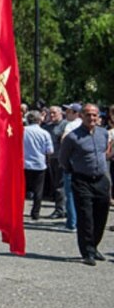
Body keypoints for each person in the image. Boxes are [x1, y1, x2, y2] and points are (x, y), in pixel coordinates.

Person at [59, 104, 110, 266]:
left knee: (101, 216)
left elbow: (105, 152)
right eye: (88, 115)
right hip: (82, 180)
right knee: (86, 217)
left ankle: (94, 246)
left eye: (94, 115)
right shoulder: (73, 137)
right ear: (81, 116)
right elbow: (63, 159)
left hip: (101, 180)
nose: (92, 118)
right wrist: (72, 171)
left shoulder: (103, 134)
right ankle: (87, 251)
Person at [23, 111, 53, 220]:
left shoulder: (22, 131)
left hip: (24, 163)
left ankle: (18, 210)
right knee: (38, 190)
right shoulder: (45, 133)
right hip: (39, 164)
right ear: (39, 120)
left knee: (22, 190)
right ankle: (35, 213)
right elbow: (49, 150)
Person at [42, 106, 67, 218]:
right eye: (50, 113)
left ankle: (60, 209)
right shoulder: (47, 127)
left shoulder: (65, 125)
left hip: (61, 159)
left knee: (60, 185)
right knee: (55, 185)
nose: (51, 115)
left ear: (60, 113)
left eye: (54, 113)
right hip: (51, 158)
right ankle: (62, 208)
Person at [61, 103, 83, 230]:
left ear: (75, 113)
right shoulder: (86, 125)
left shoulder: (71, 125)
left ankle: (72, 223)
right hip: (83, 164)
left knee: (70, 194)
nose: (66, 113)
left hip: (71, 163)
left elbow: (64, 140)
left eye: (68, 111)